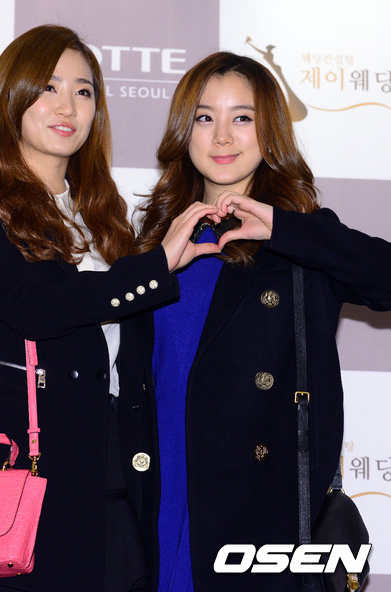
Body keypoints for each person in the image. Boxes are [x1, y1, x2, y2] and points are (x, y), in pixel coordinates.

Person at [0, 26, 226, 592]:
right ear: (12, 96)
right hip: (10, 469)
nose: (68, 106)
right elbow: (34, 306)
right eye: (48, 87)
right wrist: (155, 267)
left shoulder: (107, 219)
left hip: (106, 470)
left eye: (84, 91)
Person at [136, 51, 391, 592]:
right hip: (159, 487)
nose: (222, 136)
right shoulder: (157, 241)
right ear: (184, 131)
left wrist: (285, 229)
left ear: (269, 129)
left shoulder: (302, 240)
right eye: (204, 117)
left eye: (242, 117)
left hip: (255, 510)